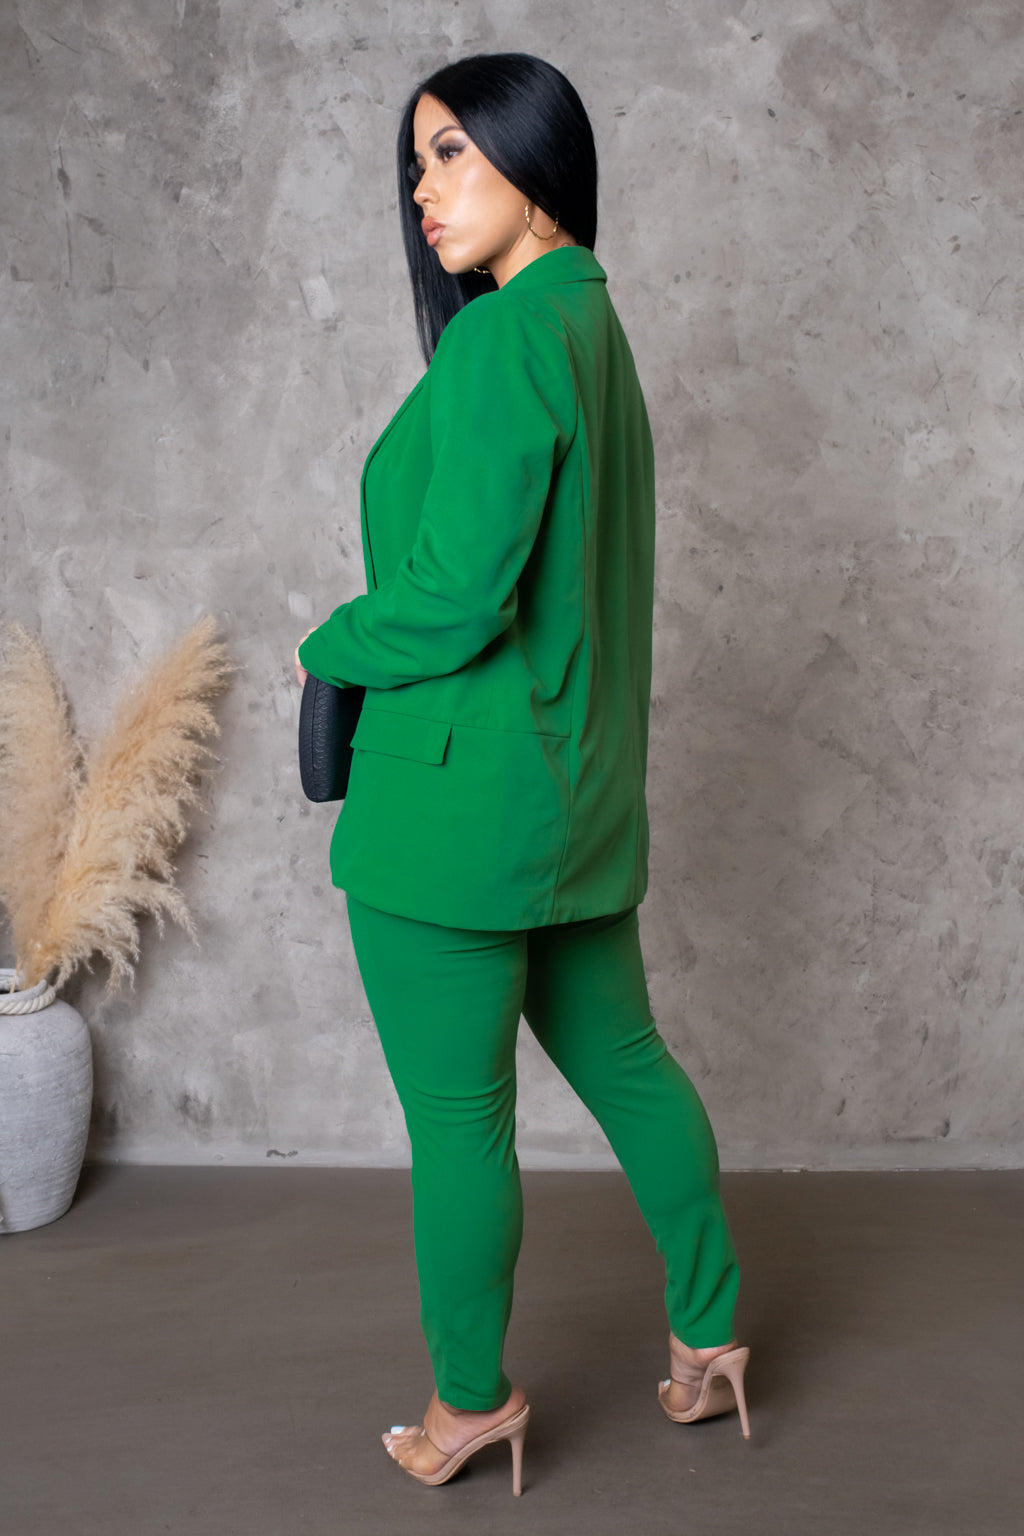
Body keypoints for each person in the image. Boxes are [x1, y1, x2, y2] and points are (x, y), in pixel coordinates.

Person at [294, 51, 749, 1494]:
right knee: (629, 1066)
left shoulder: (501, 337)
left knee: (459, 1124)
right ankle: (712, 1331)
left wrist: (326, 642)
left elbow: (452, 599)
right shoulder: (589, 325)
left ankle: (469, 1404)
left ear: (534, 154)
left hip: (454, 812)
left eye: (451, 153)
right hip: (573, 803)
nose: (424, 191)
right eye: (414, 165)